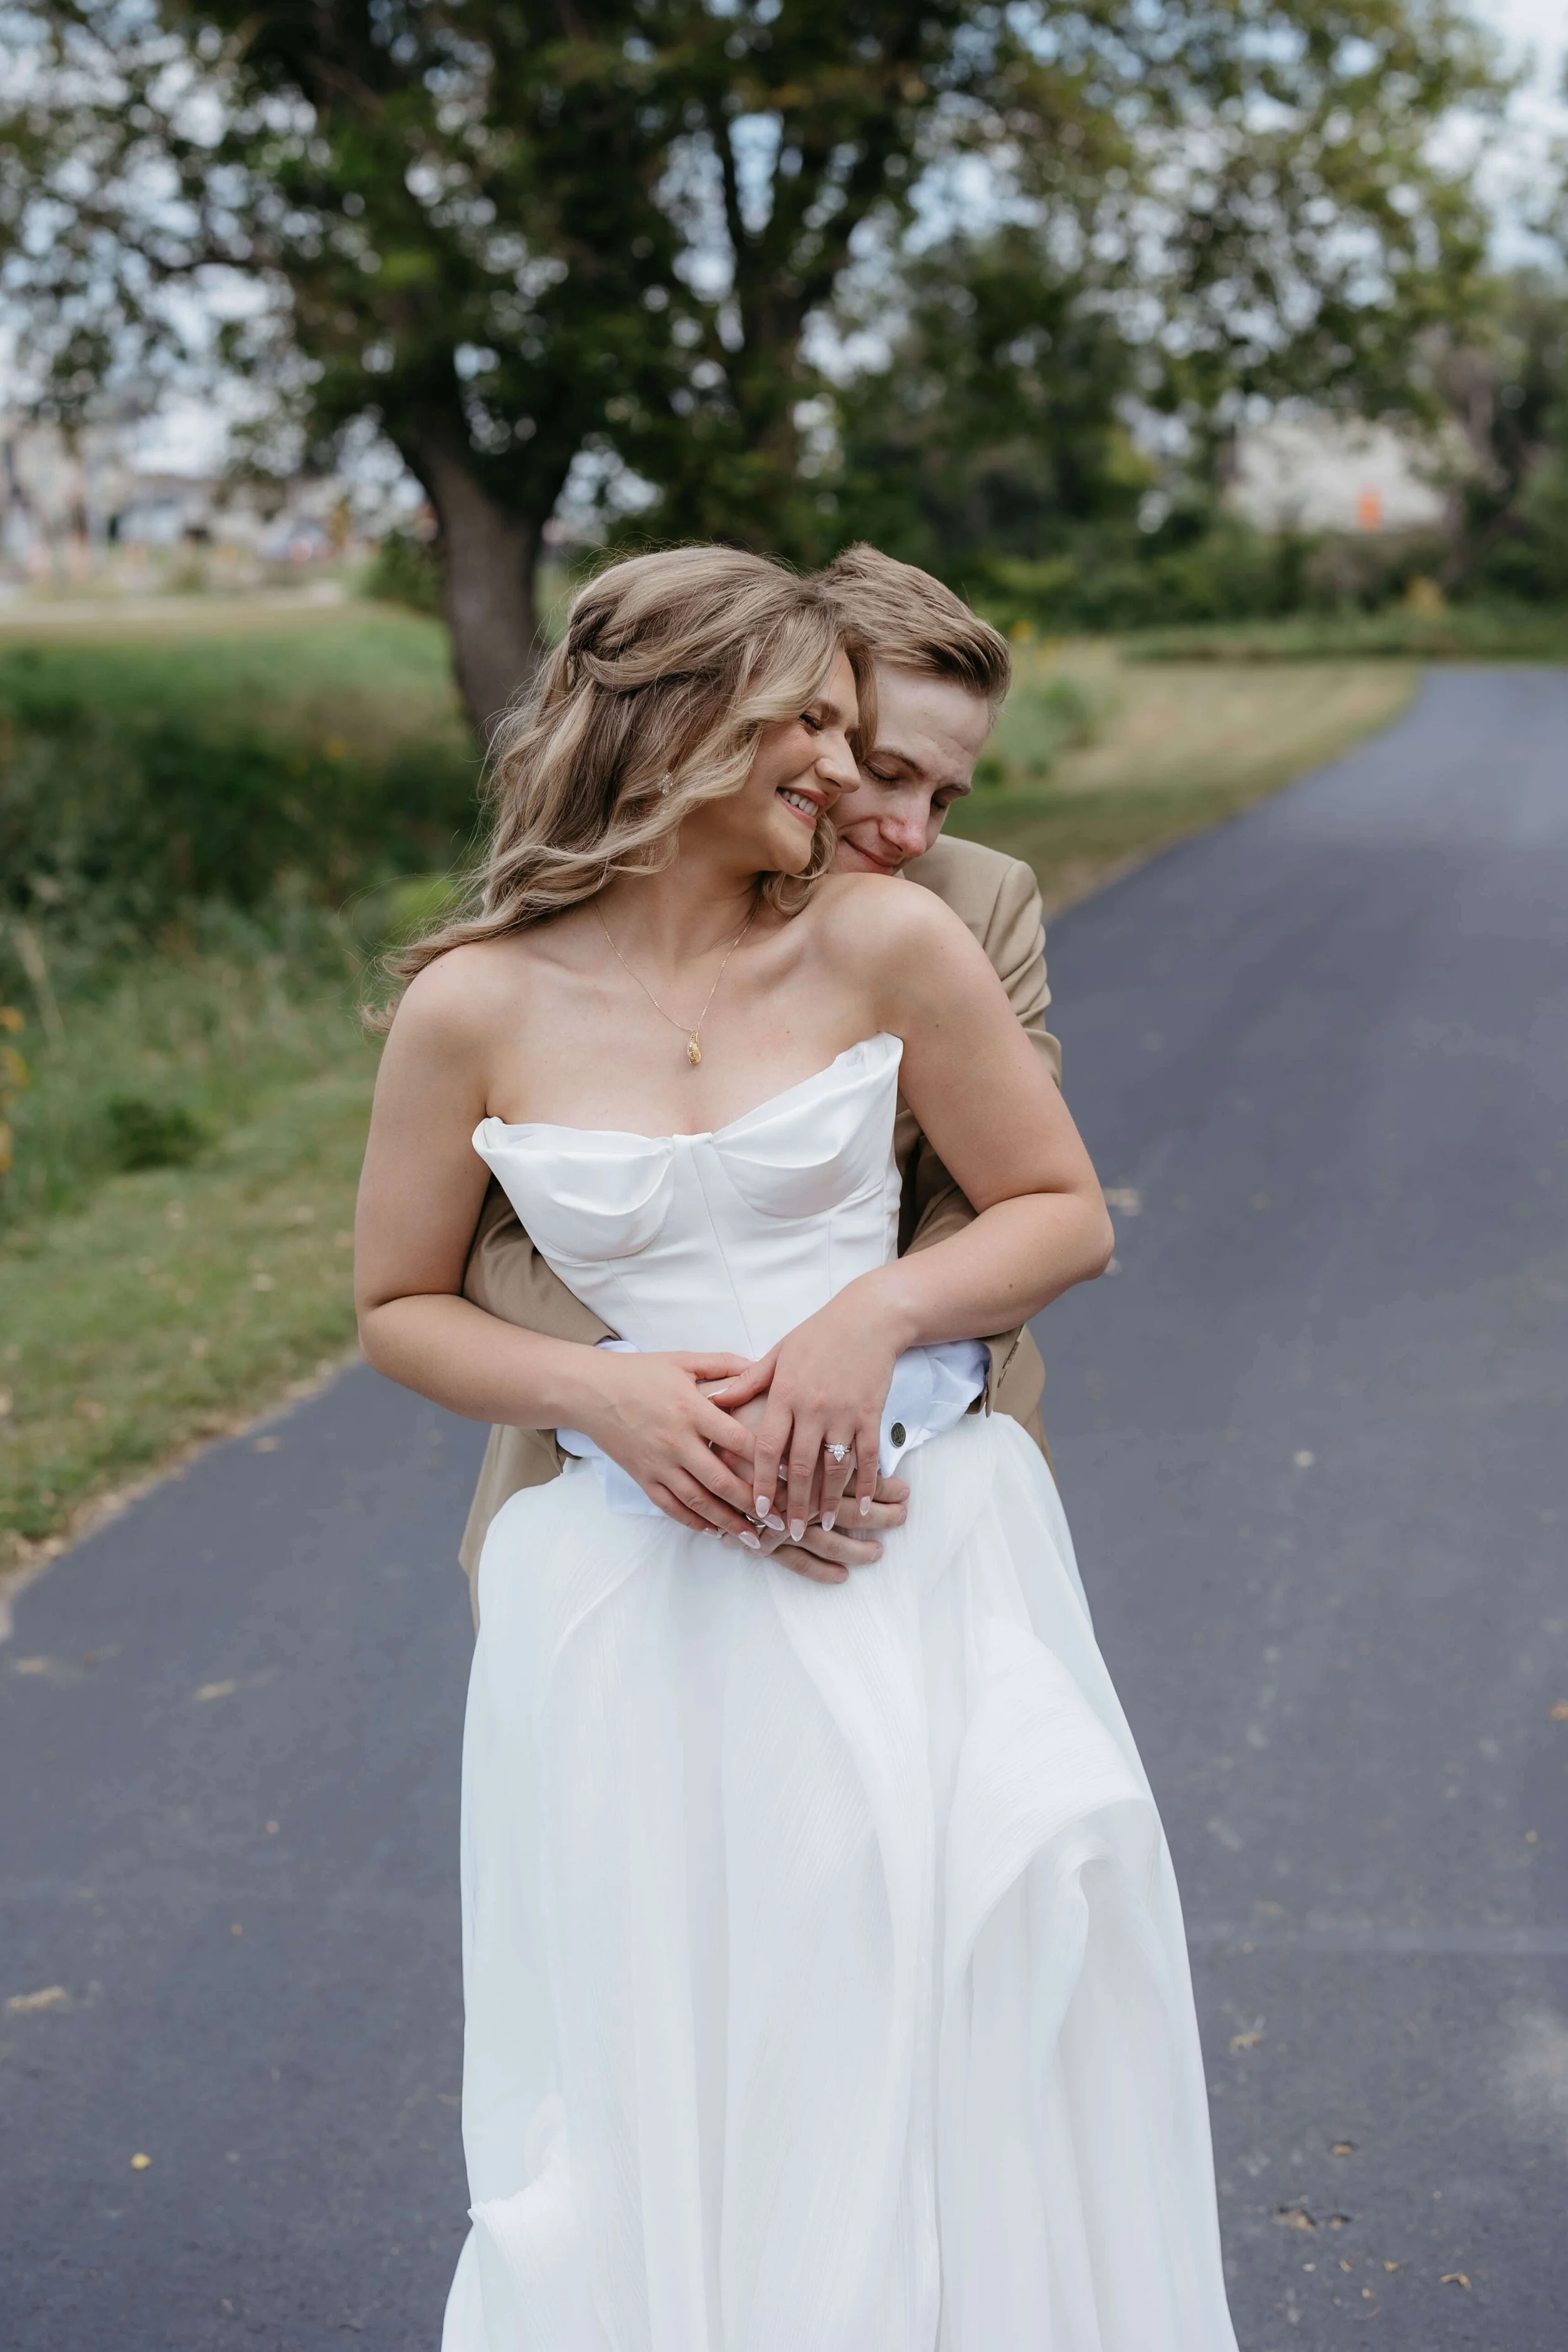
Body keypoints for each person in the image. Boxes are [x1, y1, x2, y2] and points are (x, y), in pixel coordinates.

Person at [355, 546, 1239, 2349]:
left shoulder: (893, 934)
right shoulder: (471, 1001)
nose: (852, 784)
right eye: (821, 729)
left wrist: (867, 1318)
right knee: (671, 2039)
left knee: (939, 1996)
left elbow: (1059, 1206)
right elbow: (397, 1303)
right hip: (625, 1584)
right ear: (681, 719)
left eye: (867, 741)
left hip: (901, 1548)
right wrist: (599, 1394)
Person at [457, 544, 1059, 1602]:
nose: (910, 831)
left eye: (946, 797)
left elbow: (1001, 1197)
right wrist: (674, 1414)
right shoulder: (564, 951)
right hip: (618, 1495)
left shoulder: (971, 907)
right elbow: (490, 1238)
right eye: (882, 769)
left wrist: (862, 1351)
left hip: (904, 1482)